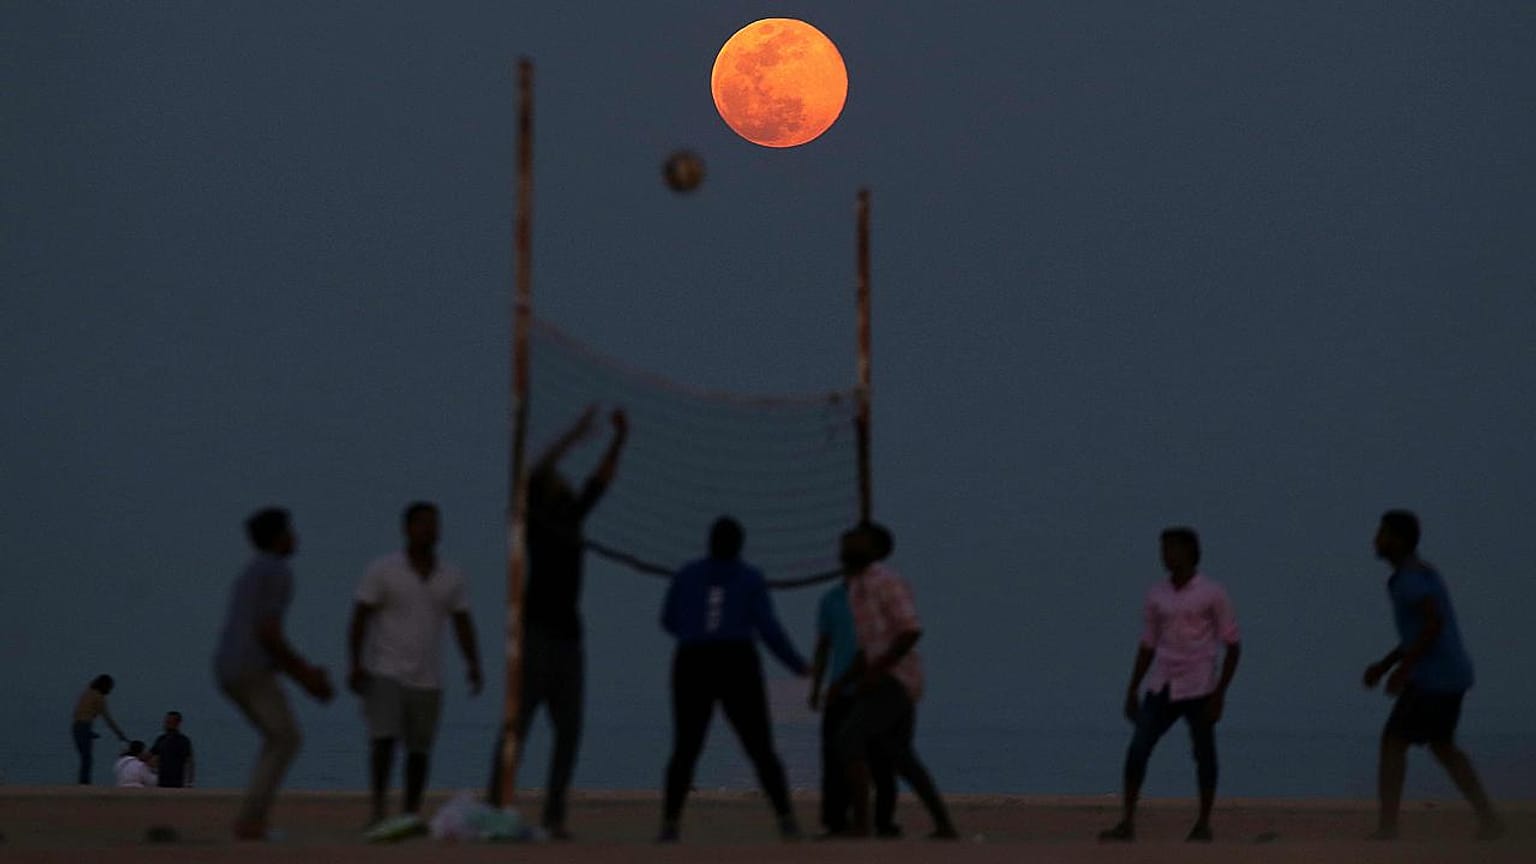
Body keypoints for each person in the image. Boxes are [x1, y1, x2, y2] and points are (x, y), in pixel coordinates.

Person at [486, 405, 627, 839]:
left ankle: (554, 815)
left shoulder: (572, 518)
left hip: (569, 638)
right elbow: (531, 472)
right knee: (518, 726)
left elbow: (600, 480)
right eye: (558, 481)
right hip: (536, 635)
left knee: (569, 730)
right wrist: (574, 435)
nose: (566, 483)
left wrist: (618, 439)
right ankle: (495, 805)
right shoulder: (537, 521)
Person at [657, 517, 809, 843]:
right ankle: (786, 820)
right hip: (736, 659)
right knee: (759, 746)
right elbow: (768, 628)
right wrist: (796, 664)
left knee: (686, 746)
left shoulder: (687, 574)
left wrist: (693, 633)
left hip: (692, 660)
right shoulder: (749, 577)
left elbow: (668, 619)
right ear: (739, 545)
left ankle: (670, 823)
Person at [1362, 510, 1503, 841]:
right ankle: (1489, 819)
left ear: (1398, 540)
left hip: (1435, 678)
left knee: (1394, 742)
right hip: (1449, 674)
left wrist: (1405, 667)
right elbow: (1420, 630)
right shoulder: (1416, 575)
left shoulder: (1411, 578)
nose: (1376, 540)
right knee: (1442, 747)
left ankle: (1388, 827)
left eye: (1382, 533)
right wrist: (1386, 664)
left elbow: (1434, 622)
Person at [1099, 527, 1241, 843]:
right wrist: (1132, 688)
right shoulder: (1156, 595)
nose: (1166, 556)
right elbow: (1148, 644)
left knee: (1204, 754)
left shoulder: (1212, 593)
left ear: (1189, 552)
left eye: (1172, 549)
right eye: (1163, 549)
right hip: (1162, 684)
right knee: (1138, 748)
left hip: (1200, 685)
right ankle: (1127, 822)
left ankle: (1203, 823)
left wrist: (1220, 694)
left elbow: (1232, 644)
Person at [350, 501, 482, 831]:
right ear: (406, 528)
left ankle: (409, 812)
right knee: (383, 741)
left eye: (434, 524)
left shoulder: (451, 576)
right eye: (422, 523)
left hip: (428, 678)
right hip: (385, 670)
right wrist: (355, 663)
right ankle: (378, 808)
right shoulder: (383, 570)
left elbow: (462, 622)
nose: (429, 530)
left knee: (419, 750)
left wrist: (473, 664)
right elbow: (360, 618)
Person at [214, 507, 334, 841]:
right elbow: (268, 633)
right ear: (279, 537)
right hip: (248, 667)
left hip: (229, 668)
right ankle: (251, 821)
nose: (296, 537)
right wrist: (307, 677)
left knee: (278, 737)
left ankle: (252, 818)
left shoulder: (251, 572)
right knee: (285, 738)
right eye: (290, 530)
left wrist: (303, 673)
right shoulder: (277, 571)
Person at [835, 523, 958, 840]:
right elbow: (869, 646)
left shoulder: (885, 582)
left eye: (855, 540)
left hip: (895, 682)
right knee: (900, 755)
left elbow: (910, 631)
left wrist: (877, 671)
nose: (846, 545)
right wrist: (844, 679)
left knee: (850, 739)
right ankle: (944, 825)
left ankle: (861, 827)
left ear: (875, 549)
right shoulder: (856, 588)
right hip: (886, 679)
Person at [809, 530, 899, 838]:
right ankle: (836, 820)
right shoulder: (831, 600)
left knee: (881, 759)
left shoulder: (879, 595)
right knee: (834, 759)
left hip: (873, 688)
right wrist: (816, 686)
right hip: (841, 690)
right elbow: (823, 646)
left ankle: (882, 821)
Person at [71, 674, 127, 784]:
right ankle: (84, 782)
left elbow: (80, 712)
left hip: (77, 726)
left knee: (85, 757)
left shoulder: (88, 692)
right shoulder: (99, 697)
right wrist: (119, 734)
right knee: (87, 758)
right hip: (84, 727)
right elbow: (107, 719)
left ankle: (83, 781)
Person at [150, 711, 195, 788]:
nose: (166, 724)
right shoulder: (161, 739)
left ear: (177, 723)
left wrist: (190, 783)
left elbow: (190, 763)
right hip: (162, 782)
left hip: (177, 783)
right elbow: (150, 757)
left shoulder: (183, 741)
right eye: (166, 721)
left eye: (169, 722)